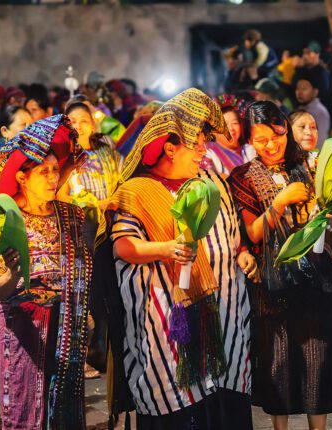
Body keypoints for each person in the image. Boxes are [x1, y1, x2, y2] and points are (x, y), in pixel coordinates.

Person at [96, 88, 256, 429]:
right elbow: (123, 246)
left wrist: (242, 254)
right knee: (172, 396)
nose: (204, 149)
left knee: (217, 397)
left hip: (217, 313)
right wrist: (167, 249)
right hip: (162, 320)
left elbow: (231, 233)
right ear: (170, 147)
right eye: (196, 142)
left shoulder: (212, 181)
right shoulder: (139, 189)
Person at [229, 101, 332, 430]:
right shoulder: (243, 177)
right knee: (278, 357)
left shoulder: (308, 166)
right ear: (249, 140)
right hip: (274, 281)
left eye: (276, 136)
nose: (270, 145)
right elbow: (251, 231)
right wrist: (279, 203)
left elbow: (331, 213)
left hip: (316, 275)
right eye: (260, 139)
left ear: (285, 130)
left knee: (317, 356)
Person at [0, 114, 91, 429]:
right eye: (44, 172)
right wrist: (15, 274)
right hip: (24, 334)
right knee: (25, 408)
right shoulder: (3, 218)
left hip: (66, 329)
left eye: (56, 170)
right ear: (22, 178)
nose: (53, 177)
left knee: (64, 412)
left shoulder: (69, 215)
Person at [57, 101, 120, 240]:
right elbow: (62, 198)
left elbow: (122, 180)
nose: (78, 126)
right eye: (72, 121)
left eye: (84, 121)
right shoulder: (63, 158)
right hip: (82, 228)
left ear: (92, 124)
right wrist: (95, 207)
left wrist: (112, 203)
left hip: (113, 221)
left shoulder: (106, 149)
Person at [201, 94, 255, 176]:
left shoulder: (250, 150)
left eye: (235, 123)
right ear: (212, 130)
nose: (231, 129)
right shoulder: (207, 154)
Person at [295, 75, 330, 148]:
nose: (300, 92)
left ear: (315, 92)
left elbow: (320, 142)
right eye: (298, 88)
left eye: (304, 89)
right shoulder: (299, 109)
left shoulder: (320, 112)